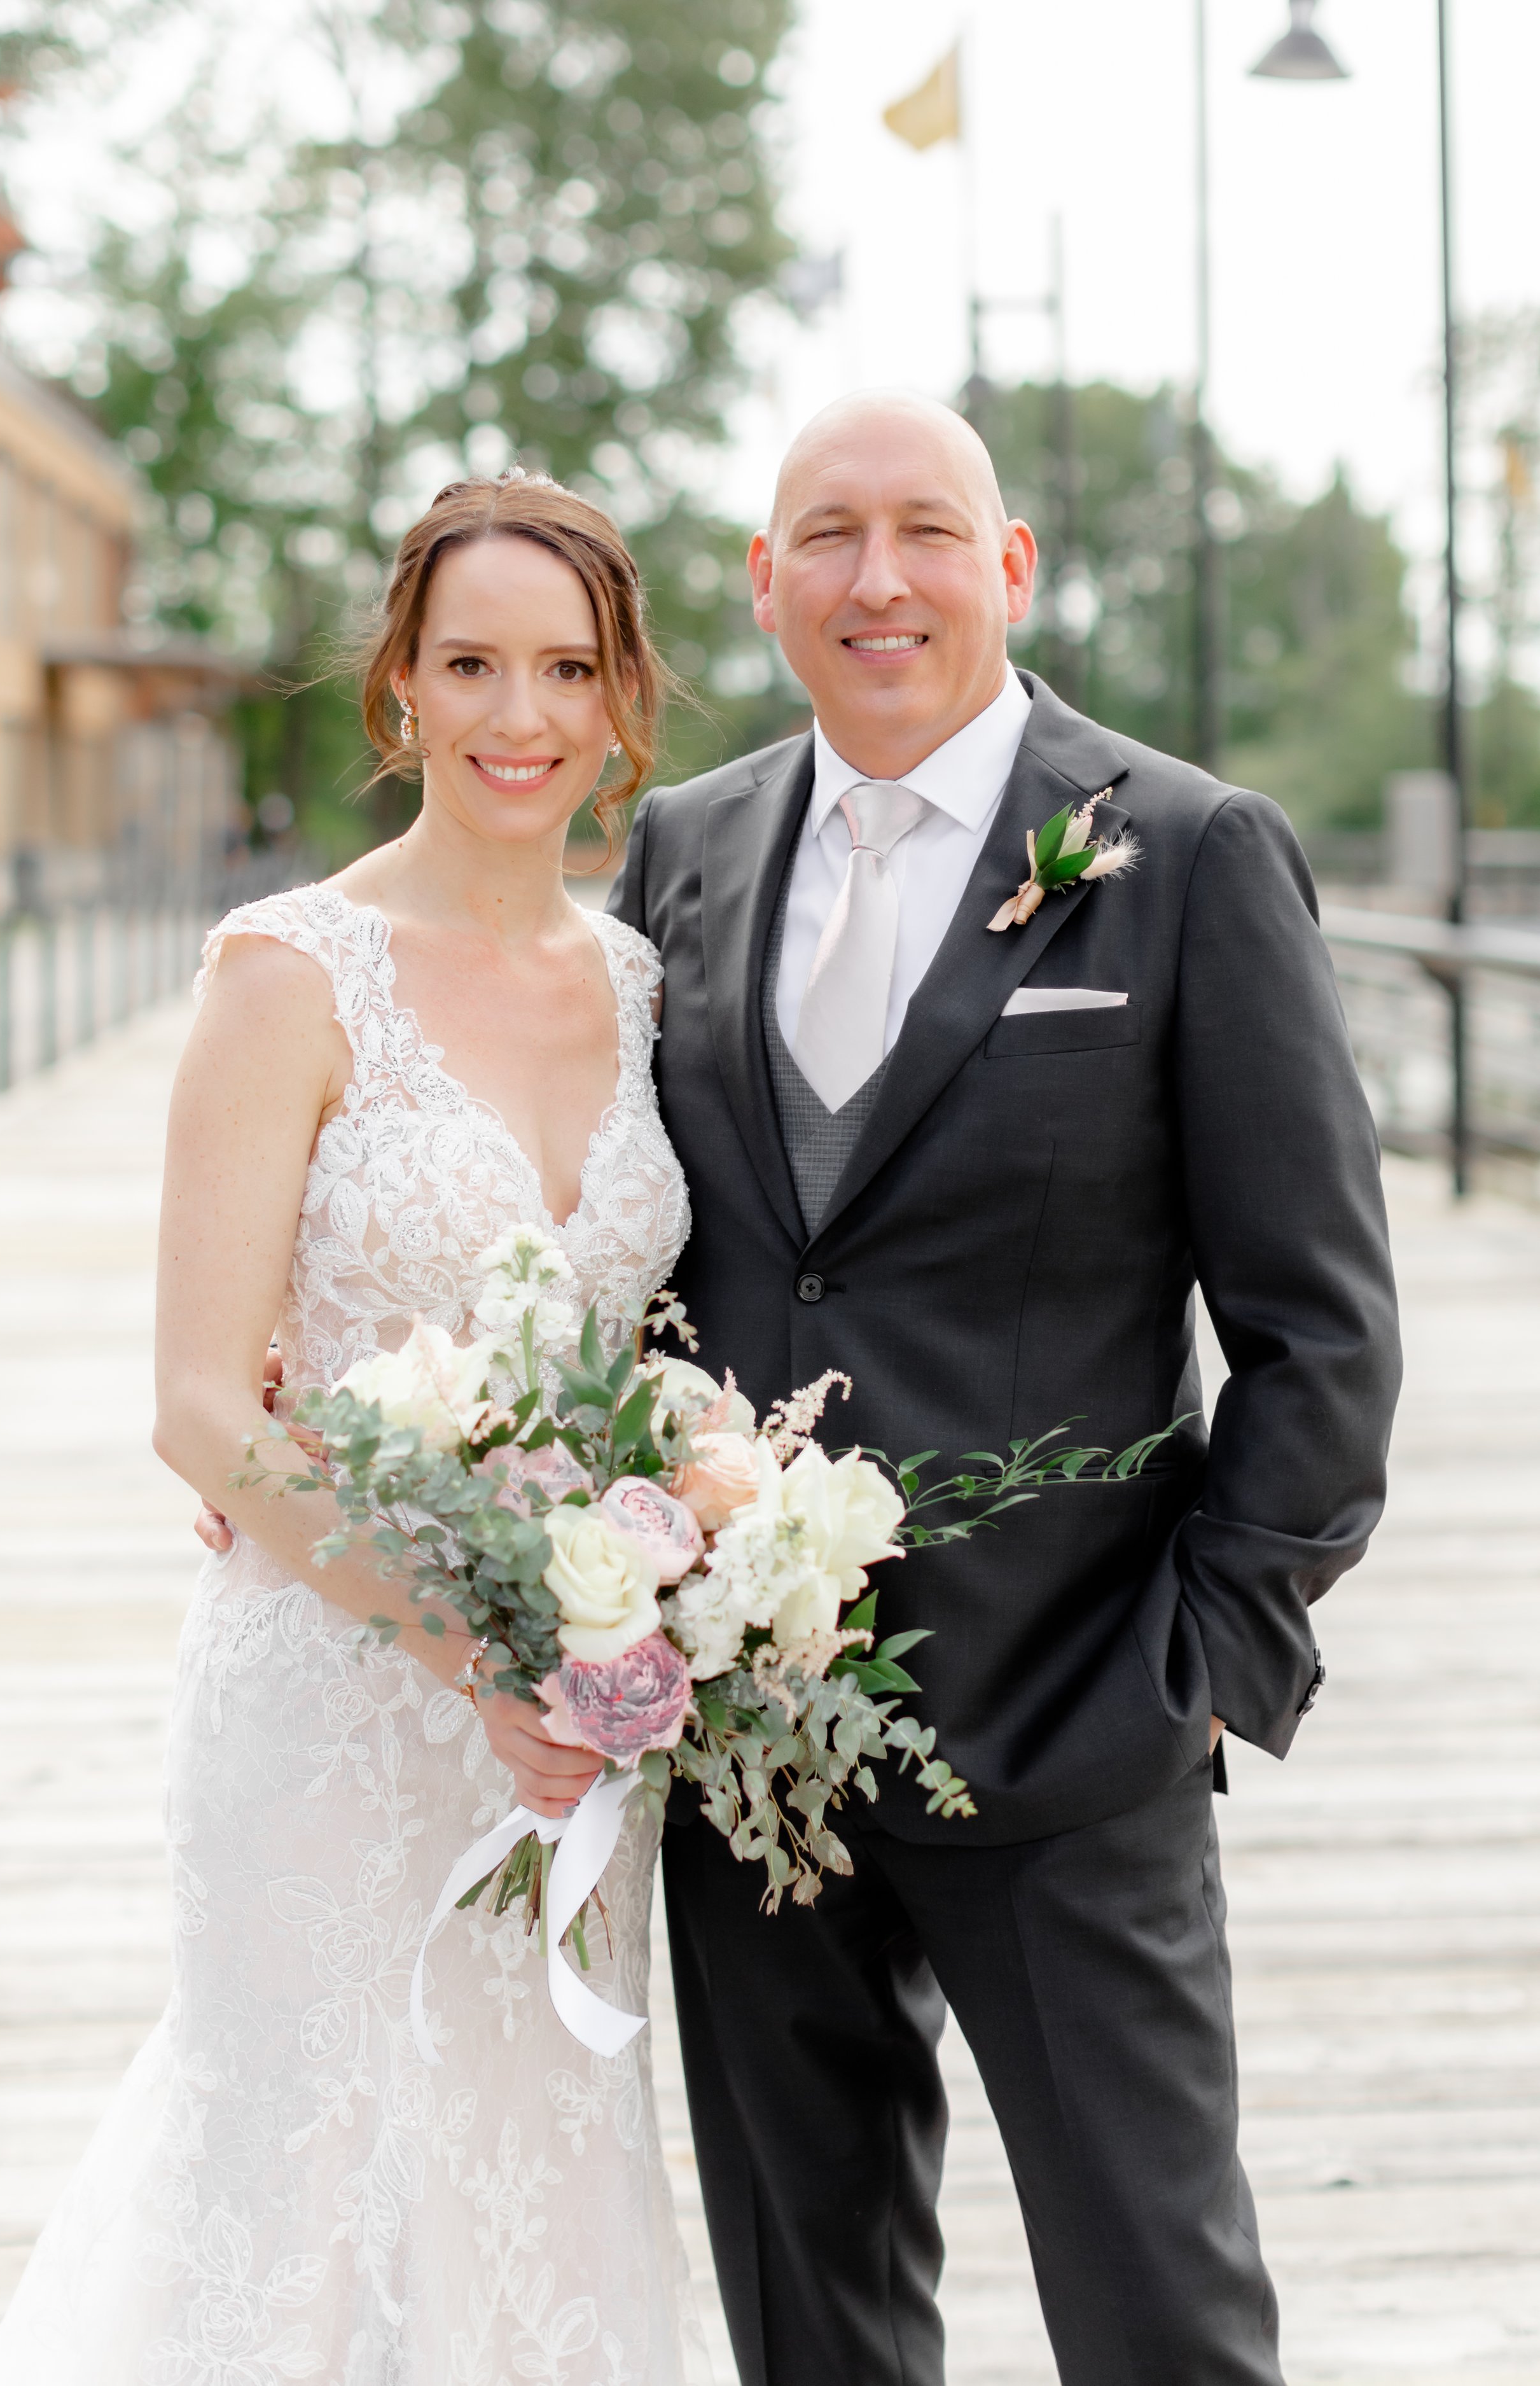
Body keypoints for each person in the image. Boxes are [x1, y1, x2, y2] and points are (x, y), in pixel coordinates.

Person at [605, 391, 1401, 2386]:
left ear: (1011, 566)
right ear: (763, 579)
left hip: (1072, 1730)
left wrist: (1200, 1666)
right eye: (829, 535)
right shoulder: (679, 853)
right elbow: (618, 1252)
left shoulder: (1189, 851)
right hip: (741, 1746)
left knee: (1160, 2316)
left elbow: (1320, 1326)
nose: (880, 580)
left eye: (928, 532)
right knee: (815, 2321)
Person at [0, 474, 706, 2386]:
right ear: (400, 687)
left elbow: (663, 1342)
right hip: (335, 1700)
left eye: (563, 668)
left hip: (573, 1727)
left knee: (530, 2183)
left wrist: (672, 1560)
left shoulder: (640, 991)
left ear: (623, 700)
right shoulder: (287, 976)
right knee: (298, 2182)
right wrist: (471, 1655)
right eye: (470, 663)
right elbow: (204, 1407)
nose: (516, 715)